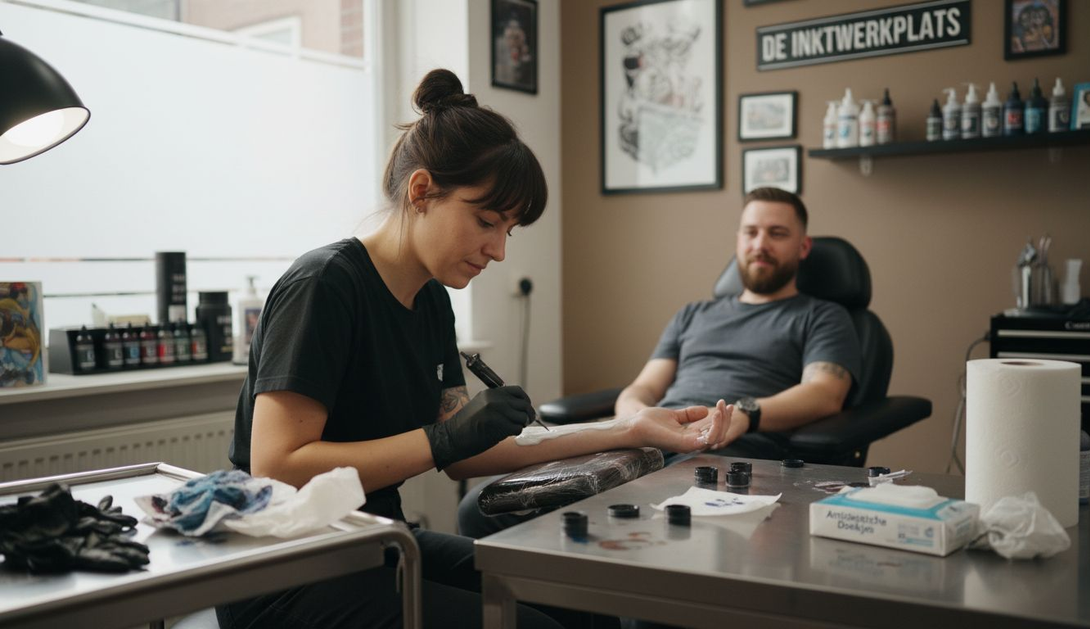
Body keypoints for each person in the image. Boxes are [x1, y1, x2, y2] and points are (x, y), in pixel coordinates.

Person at [215, 68, 732, 629]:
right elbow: (279, 465)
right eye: (486, 221)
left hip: (375, 541)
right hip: (286, 569)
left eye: (508, 230)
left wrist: (629, 429)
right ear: (421, 191)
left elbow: (467, 450)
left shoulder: (431, 299)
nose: (498, 251)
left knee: (583, 602)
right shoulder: (325, 286)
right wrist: (442, 439)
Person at [458, 186, 861, 539]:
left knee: (632, 523)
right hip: (650, 440)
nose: (761, 244)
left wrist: (744, 414)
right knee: (483, 509)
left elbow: (824, 394)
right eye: (751, 232)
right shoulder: (695, 314)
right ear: (738, 239)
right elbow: (643, 388)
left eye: (777, 234)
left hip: (724, 451)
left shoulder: (822, 316)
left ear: (803, 247)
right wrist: (635, 419)